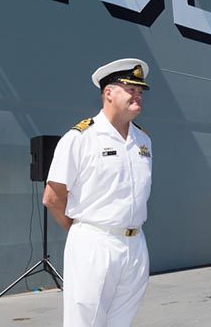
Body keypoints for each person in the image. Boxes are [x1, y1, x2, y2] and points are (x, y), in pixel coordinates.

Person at [43, 58, 153, 327]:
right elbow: (52, 196)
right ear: (108, 93)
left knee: (121, 322)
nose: (137, 94)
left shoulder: (143, 140)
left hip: (136, 243)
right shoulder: (81, 137)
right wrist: (81, 230)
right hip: (95, 241)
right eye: (130, 89)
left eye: (140, 90)